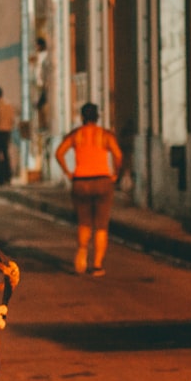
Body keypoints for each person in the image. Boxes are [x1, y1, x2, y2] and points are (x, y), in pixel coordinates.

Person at [54, 102, 123, 276]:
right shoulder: (105, 135)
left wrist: (67, 172)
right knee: (101, 225)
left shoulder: (76, 135)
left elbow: (59, 152)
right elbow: (118, 155)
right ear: (97, 116)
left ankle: (82, 252)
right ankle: (97, 265)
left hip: (80, 182)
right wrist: (116, 173)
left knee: (84, 222)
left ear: (82, 117)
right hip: (102, 181)